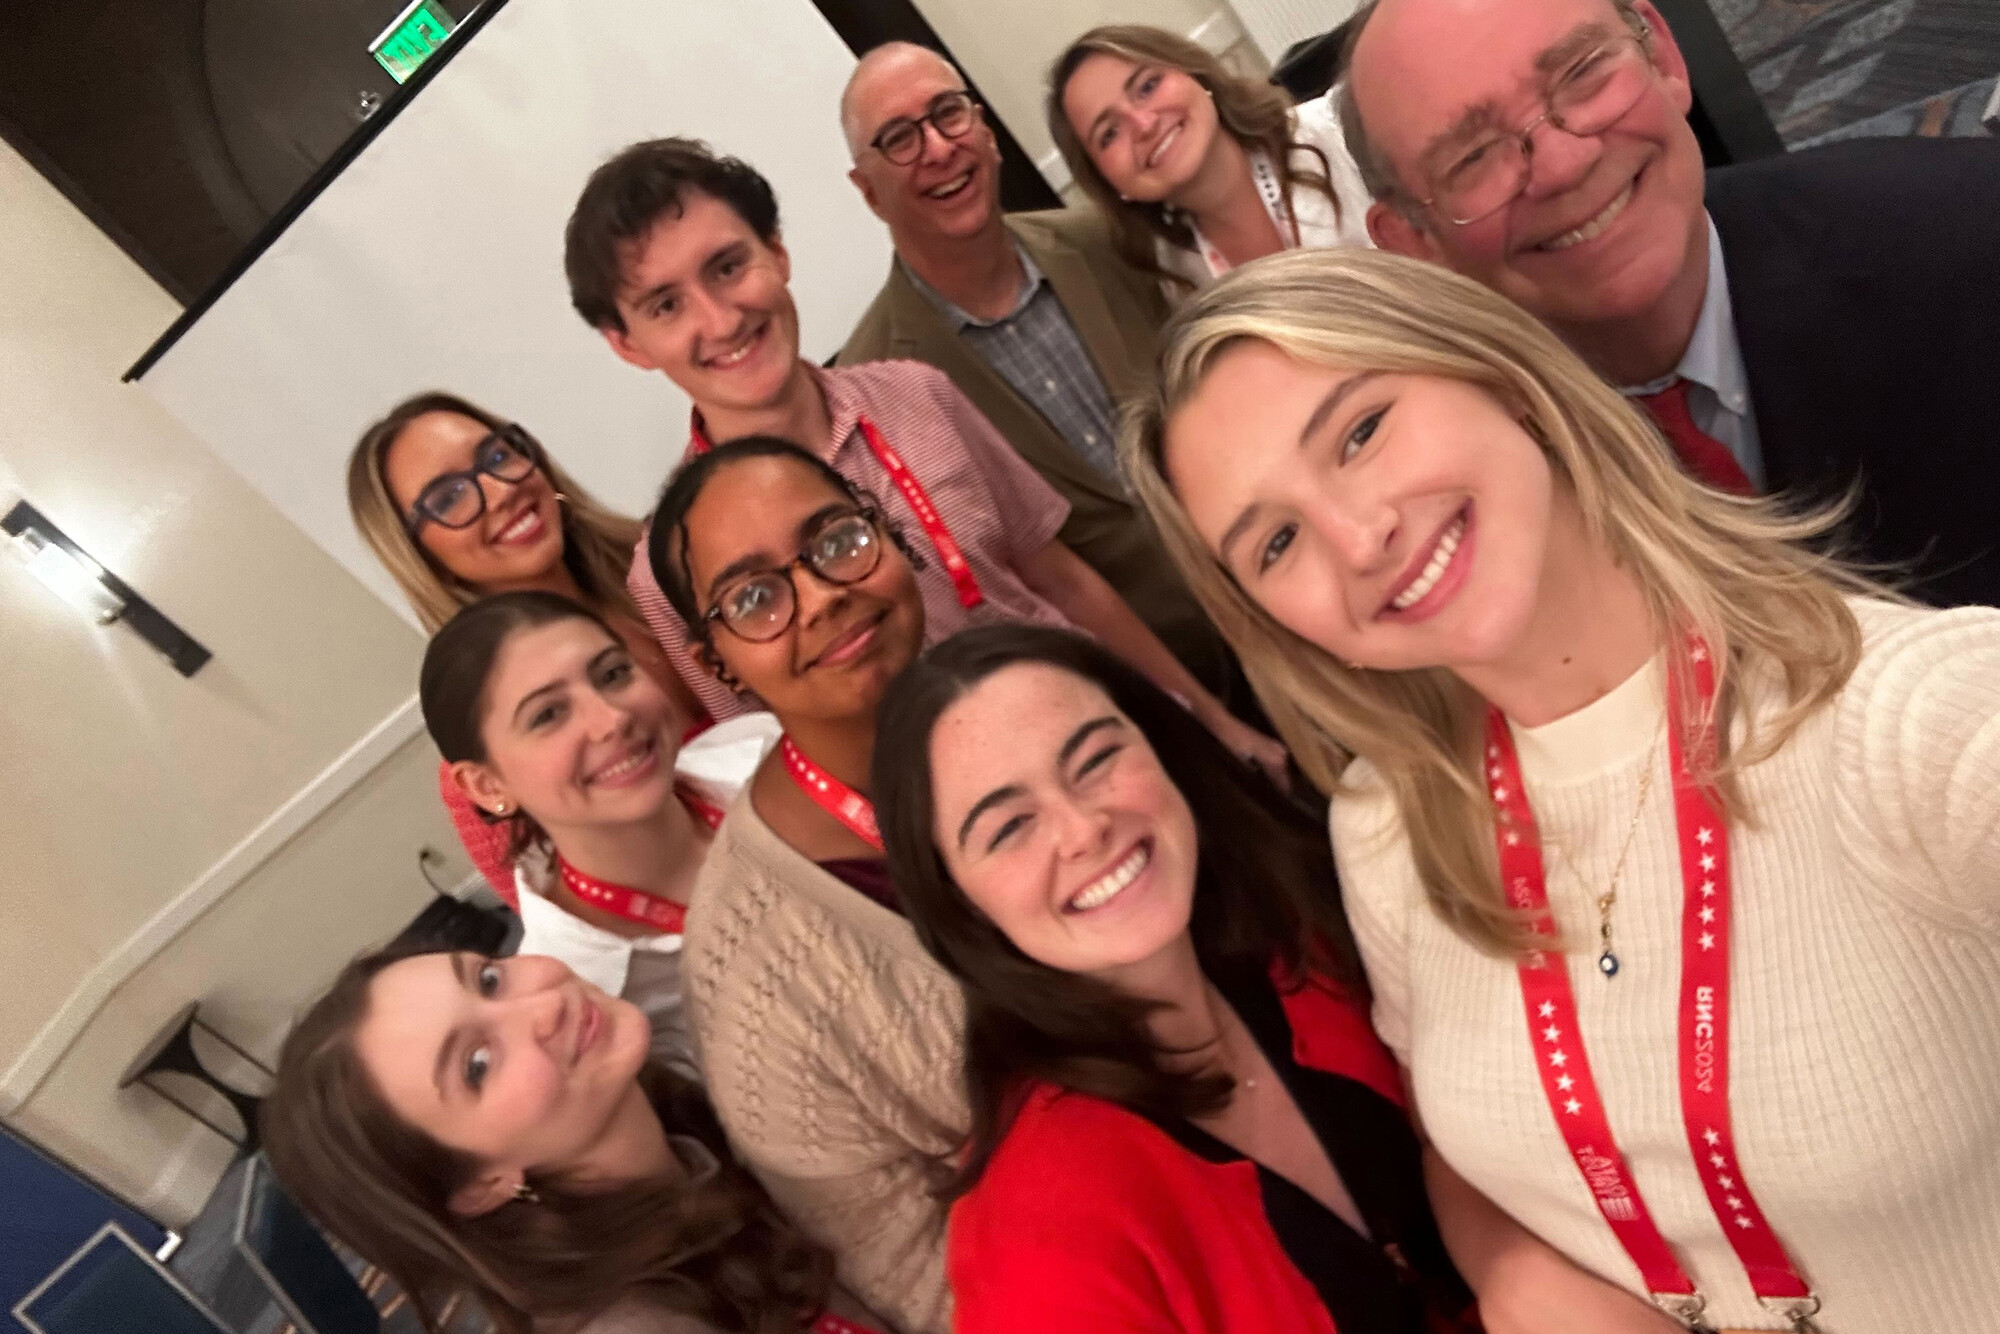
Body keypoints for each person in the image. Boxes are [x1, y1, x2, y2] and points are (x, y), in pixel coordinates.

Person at [1122, 246, 2000, 1333]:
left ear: (1498, 376)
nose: (1357, 539)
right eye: (1278, 540)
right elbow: (1470, 1149)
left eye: (1360, 431)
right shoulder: (1389, 831)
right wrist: (1519, 1279)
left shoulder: (1914, 715)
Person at [561, 136, 1283, 778]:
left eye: (727, 267)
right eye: (664, 306)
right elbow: (777, 753)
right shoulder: (668, 566)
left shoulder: (918, 394)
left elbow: (1060, 579)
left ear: (776, 254)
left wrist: (1208, 723)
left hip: (1118, 730)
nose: (720, 320)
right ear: (627, 344)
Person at [871, 624, 1476, 1333]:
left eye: (1095, 759)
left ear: (1160, 746)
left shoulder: (1306, 932)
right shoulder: (1036, 1237)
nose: (1084, 828)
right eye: (1009, 828)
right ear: (960, 902)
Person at [1338, 0, 2000, 607]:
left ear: (1663, 59)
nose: (1564, 163)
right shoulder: (1444, 509)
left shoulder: (1967, 241)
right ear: (1411, 245)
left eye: (1583, 74)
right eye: (1474, 156)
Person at [647, 437, 966, 1334]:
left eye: (834, 540)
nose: (823, 595)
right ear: (715, 663)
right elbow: (921, 1283)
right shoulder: (755, 978)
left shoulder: (1041, 693)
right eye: (755, 598)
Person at [836, 43, 1235, 700]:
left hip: (1279, 596)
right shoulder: (874, 385)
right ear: (868, 189)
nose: (938, 148)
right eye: (900, 139)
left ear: (986, 132)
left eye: (948, 114)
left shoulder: (1108, 242)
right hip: (1140, 696)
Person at [261, 945, 886, 1334]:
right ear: (481, 1185)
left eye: (488, 980)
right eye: (477, 1064)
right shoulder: (634, 1324)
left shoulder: (707, 1119)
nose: (542, 1007)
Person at [348, 393, 709, 896]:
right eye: (448, 498)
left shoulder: (679, 561)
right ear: (421, 558)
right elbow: (583, 941)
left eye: (498, 456)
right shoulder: (488, 764)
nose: (499, 492)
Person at [419, 592, 777, 1077]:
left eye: (612, 674)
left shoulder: (770, 754)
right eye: (548, 714)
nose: (611, 719)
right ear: (489, 786)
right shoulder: (575, 1008)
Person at [1048, 24, 1372, 297]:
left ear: (1196, 76)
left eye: (1148, 86)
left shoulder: (1345, 130)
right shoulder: (1176, 282)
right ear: (1107, 180)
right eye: (1109, 133)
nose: (1144, 125)